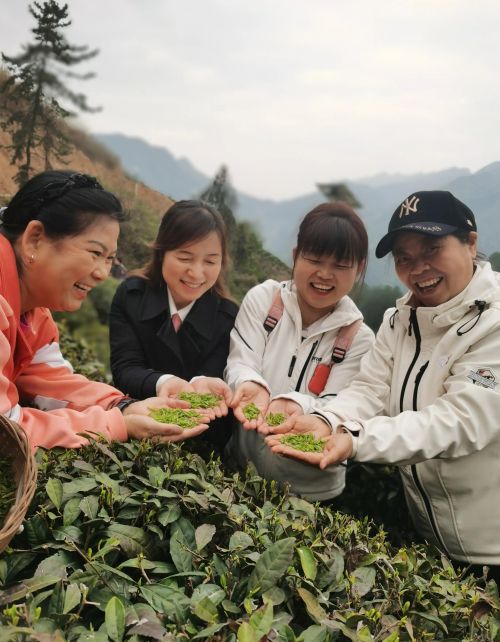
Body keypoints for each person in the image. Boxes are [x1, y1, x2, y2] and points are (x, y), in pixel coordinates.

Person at [268, 190, 500, 582]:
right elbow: (369, 390)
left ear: (471, 243)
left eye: (432, 249)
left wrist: (354, 438)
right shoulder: (399, 320)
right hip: (432, 538)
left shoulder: (493, 325)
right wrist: (325, 419)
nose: (418, 268)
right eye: (404, 258)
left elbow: (456, 421)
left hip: (492, 549)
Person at [0, 170, 209, 450]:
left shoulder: (35, 316)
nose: (102, 273)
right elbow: (7, 430)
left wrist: (122, 406)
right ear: (34, 239)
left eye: (110, 258)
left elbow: (51, 380)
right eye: (95, 253)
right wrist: (117, 426)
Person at [225, 201, 374, 501]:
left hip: (312, 493)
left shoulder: (360, 340)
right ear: (295, 256)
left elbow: (342, 406)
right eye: (315, 259)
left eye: (340, 266)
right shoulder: (264, 300)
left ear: (358, 270)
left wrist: (294, 404)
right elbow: (241, 360)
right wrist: (249, 384)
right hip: (240, 471)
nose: (324, 274)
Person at [109, 200, 238, 451]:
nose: (197, 273)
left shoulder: (228, 317)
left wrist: (201, 383)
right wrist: (164, 382)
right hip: (137, 429)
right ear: (161, 252)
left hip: (202, 444)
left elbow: (215, 380)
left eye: (210, 262)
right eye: (185, 257)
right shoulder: (131, 296)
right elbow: (125, 368)